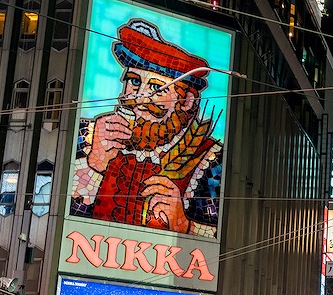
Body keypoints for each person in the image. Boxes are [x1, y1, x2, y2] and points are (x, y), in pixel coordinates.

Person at [70, 18, 223, 236]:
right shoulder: (87, 135)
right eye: (134, 82)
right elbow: (59, 215)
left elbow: (226, 238)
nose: (140, 97)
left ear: (187, 101)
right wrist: (93, 165)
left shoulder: (210, 159)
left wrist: (185, 224)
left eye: (156, 87)